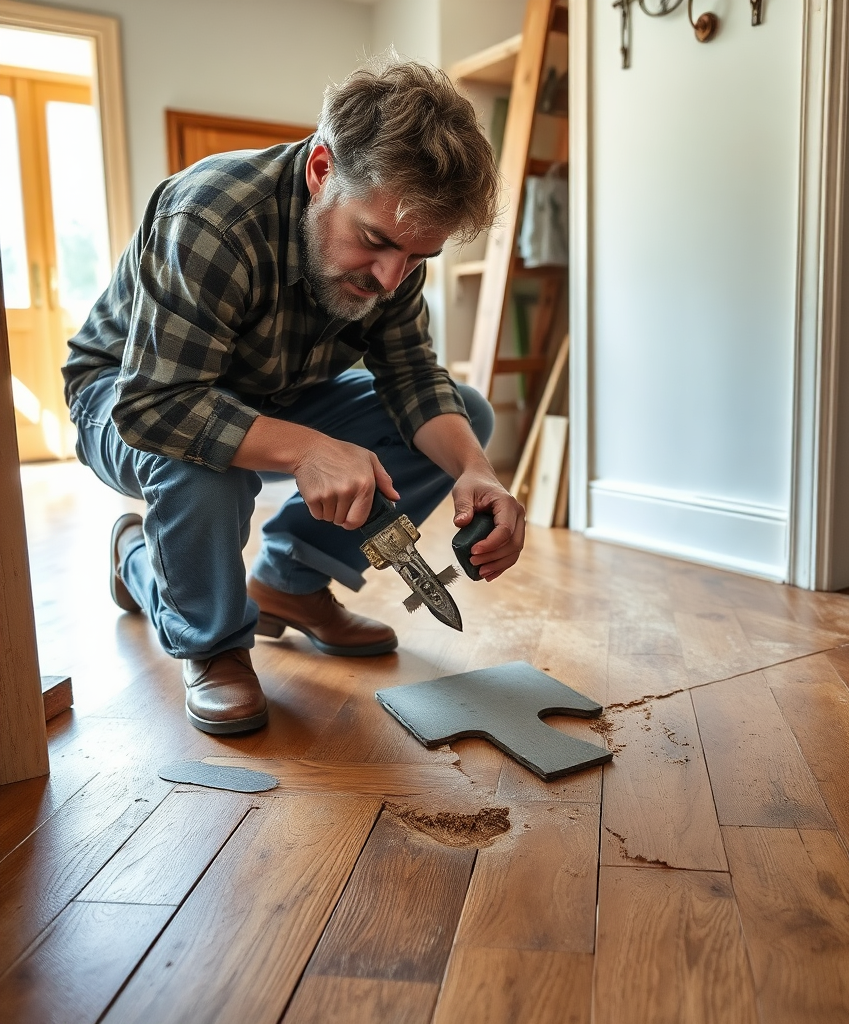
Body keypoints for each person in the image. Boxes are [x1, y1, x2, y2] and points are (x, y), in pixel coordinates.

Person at [63, 57, 526, 736]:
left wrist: (476, 470)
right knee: (200, 467)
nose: (392, 278)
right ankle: (200, 629)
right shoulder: (213, 215)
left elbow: (413, 378)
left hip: (274, 388)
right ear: (320, 171)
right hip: (130, 393)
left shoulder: (391, 260)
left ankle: (290, 580)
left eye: (416, 259)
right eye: (375, 242)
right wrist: (307, 448)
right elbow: (156, 406)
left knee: (466, 416)